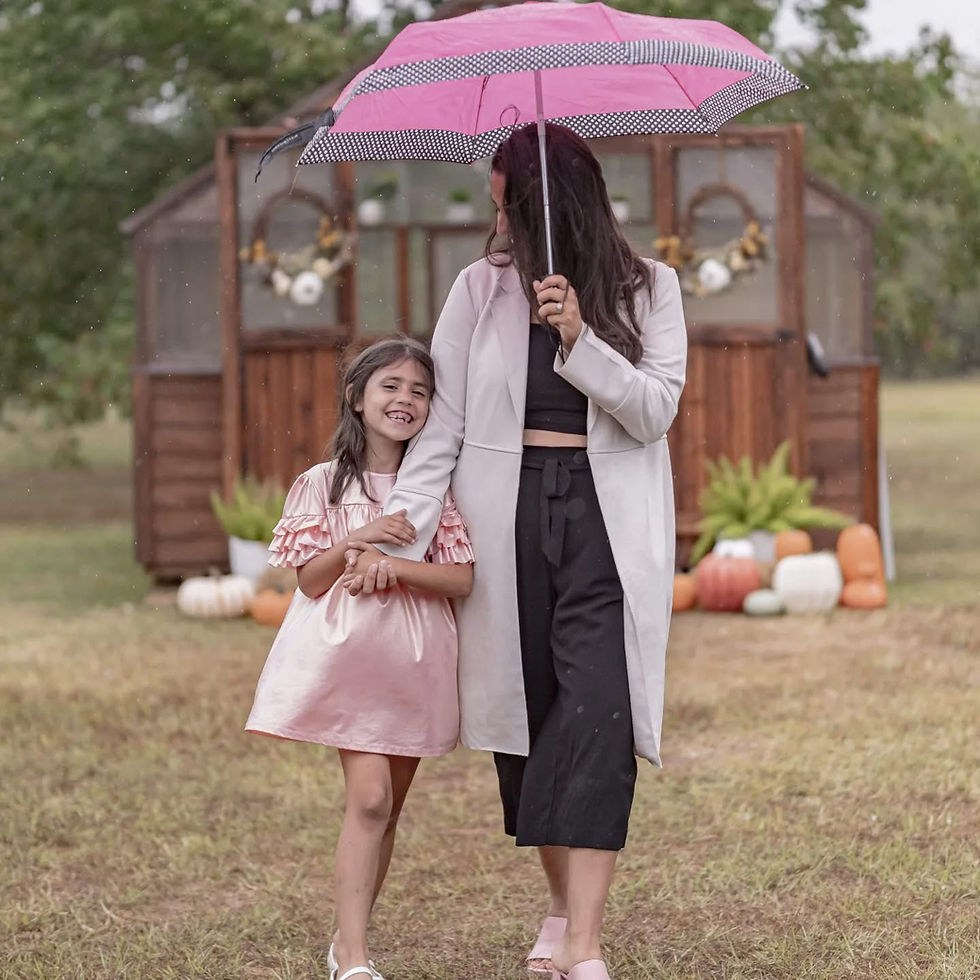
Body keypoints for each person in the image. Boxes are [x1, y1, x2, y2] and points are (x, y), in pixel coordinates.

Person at [348, 123, 688, 980]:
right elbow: (447, 427)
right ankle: (563, 909)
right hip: (503, 519)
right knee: (527, 723)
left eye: (503, 199)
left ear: (542, 200)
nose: (492, 217)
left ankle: (585, 944)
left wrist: (579, 337)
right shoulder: (477, 290)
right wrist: (406, 521)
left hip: (604, 521)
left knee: (598, 716)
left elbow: (654, 411)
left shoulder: (650, 288)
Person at [245, 337, 475, 980]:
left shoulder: (432, 490)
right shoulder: (323, 483)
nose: (405, 399)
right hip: (351, 665)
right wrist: (360, 536)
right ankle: (352, 958)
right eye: (390, 386)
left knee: (387, 809)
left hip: (415, 663)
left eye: (419, 391)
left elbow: (460, 580)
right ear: (357, 397)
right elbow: (311, 581)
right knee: (370, 799)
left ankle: (350, 936)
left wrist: (397, 566)